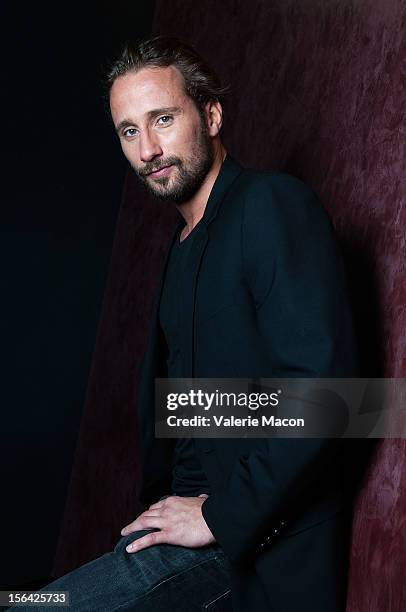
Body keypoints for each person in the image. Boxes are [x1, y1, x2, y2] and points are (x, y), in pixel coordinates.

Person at [10, 35, 358, 611]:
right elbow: (205, 409)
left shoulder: (272, 206)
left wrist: (215, 513)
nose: (148, 149)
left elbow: (335, 399)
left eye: (163, 119)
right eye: (129, 131)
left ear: (212, 114)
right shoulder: (180, 251)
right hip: (183, 537)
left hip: (254, 550)